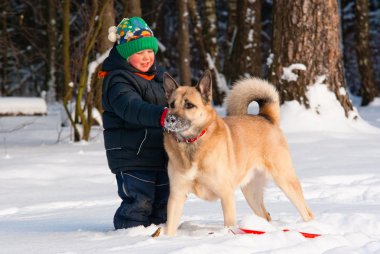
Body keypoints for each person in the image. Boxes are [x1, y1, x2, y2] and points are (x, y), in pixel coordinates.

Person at [100, 17, 169, 230]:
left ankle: (160, 235)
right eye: (139, 53)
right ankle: (129, 233)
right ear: (126, 54)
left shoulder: (158, 78)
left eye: (149, 51)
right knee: (140, 201)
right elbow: (131, 108)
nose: (146, 57)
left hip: (160, 153)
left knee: (163, 201)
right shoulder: (118, 80)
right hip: (132, 155)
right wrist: (163, 115)